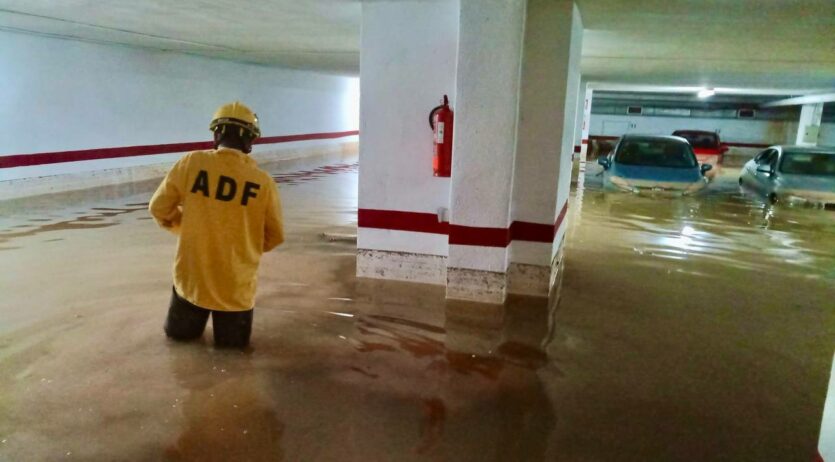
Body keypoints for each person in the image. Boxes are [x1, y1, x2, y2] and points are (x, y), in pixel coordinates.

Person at [149, 102, 284, 348]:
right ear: (250, 142)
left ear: (216, 134)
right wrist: (244, 247)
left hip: (191, 281)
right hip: (236, 287)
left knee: (178, 347)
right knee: (233, 356)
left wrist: (186, 230)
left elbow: (158, 208)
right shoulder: (263, 183)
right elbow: (275, 235)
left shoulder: (191, 164)